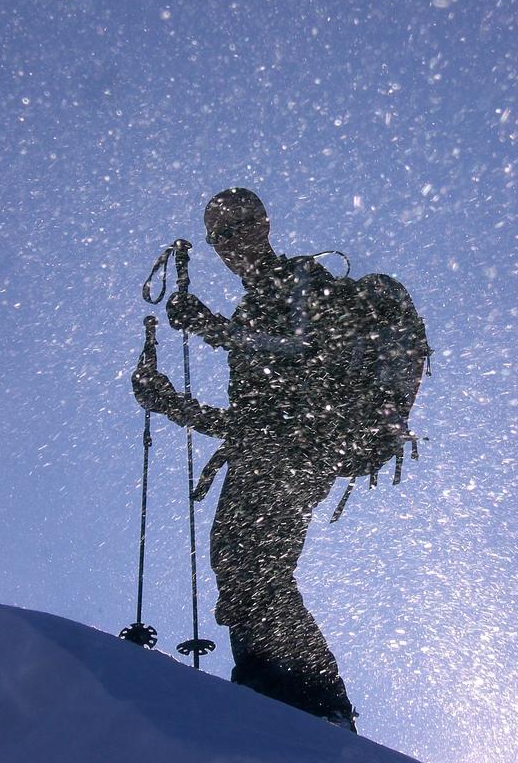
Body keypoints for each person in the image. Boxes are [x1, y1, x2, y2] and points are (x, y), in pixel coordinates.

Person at [131, 188, 357, 731]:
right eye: (219, 237)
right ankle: (275, 693)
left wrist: (212, 330)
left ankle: (309, 703)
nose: (230, 243)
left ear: (264, 224)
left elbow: (304, 356)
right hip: (274, 452)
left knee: (256, 570)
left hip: (296, 451)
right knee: (240, 567)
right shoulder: (255, 305)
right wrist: (174, 406)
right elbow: (253, 420)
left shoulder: (300, 279)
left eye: (239, 227)